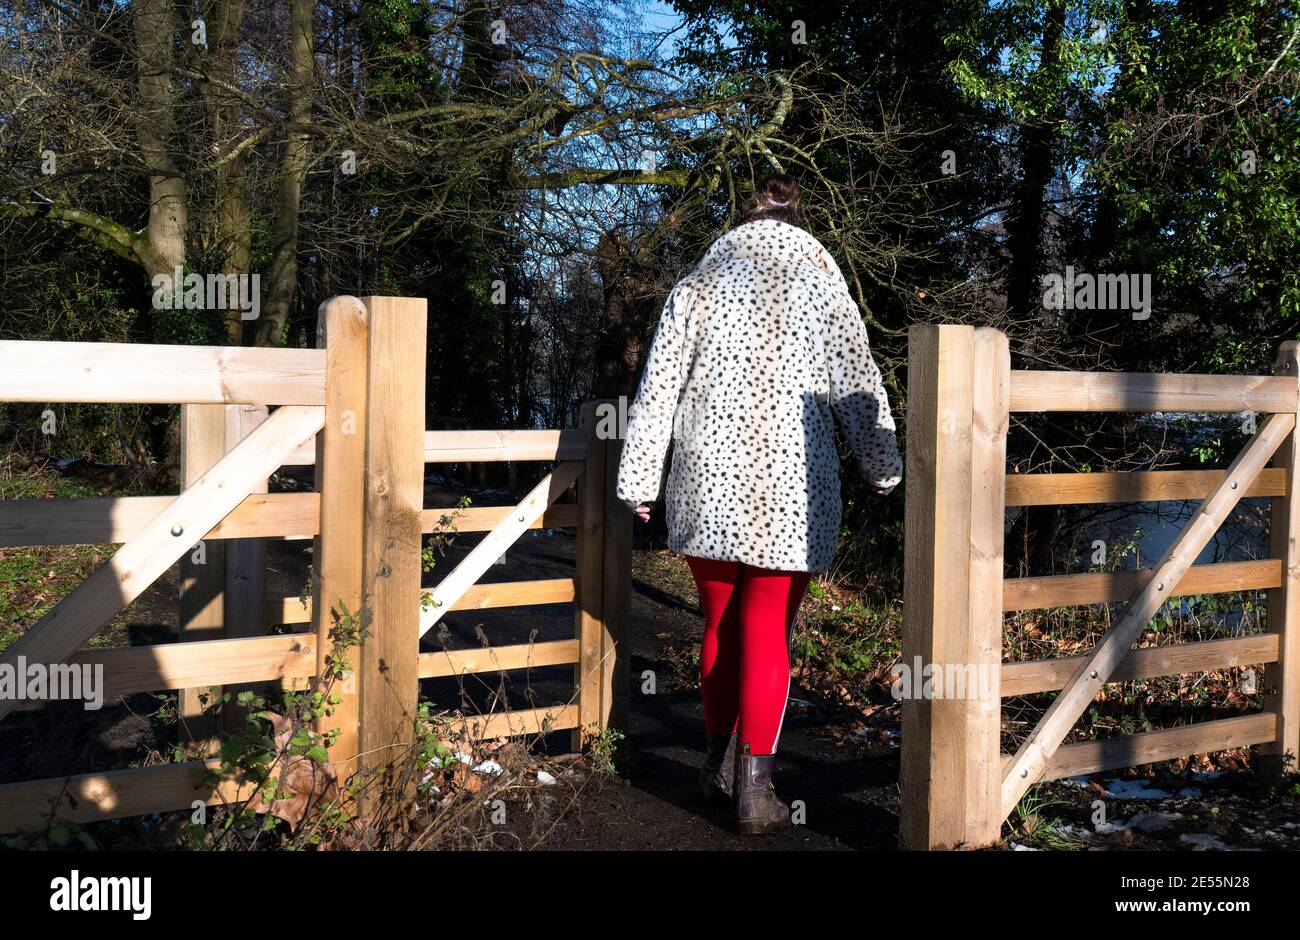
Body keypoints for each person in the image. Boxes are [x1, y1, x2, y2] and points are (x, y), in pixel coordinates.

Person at [615, 174, 903, 835]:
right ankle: (756, 792)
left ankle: (716, 768)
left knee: (720, 623)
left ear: (738, 222)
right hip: (789, 488)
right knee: (767, 627)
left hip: (703, 482)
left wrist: (638, 482)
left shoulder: (699, 281)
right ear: (798, 219)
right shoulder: (820, 280)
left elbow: (658, 387)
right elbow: (857, 379)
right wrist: (882, 463)